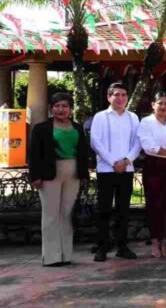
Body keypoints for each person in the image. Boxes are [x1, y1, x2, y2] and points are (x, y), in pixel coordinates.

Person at [28, 92, 89, 266]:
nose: (60, 109)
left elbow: (83, 152)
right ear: (51, 109)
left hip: (73, 172)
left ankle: (65, 255)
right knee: (51, 215)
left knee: (67, 214)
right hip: (49, 174)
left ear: (70, 109)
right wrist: (35, 177)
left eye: (64, 106)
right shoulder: (41, 128)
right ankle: (51, 257)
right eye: (57, 106)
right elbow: (33, 155)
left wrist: (84, 175)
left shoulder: (77, 128)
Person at [90, 82, 141, 262]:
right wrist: (113, 162)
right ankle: (102, 247)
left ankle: (122, 246)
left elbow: (138, 142)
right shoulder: (100, 116)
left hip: (127, 169)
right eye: (116, 95)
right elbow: (95, 142)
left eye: (123, 95)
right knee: (104, 209)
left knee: (123, 210)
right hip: (106, 169)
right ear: (109, 97)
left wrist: (127, 160)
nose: (120, 98)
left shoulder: (133, 117)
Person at [137, 91, 166, 258]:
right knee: (155, 204)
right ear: (153, 105)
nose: (163, 107)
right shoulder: (146, 122)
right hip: (154, 167)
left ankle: (164, 240)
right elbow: (148, 146)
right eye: (160, 103)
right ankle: (155, 240)